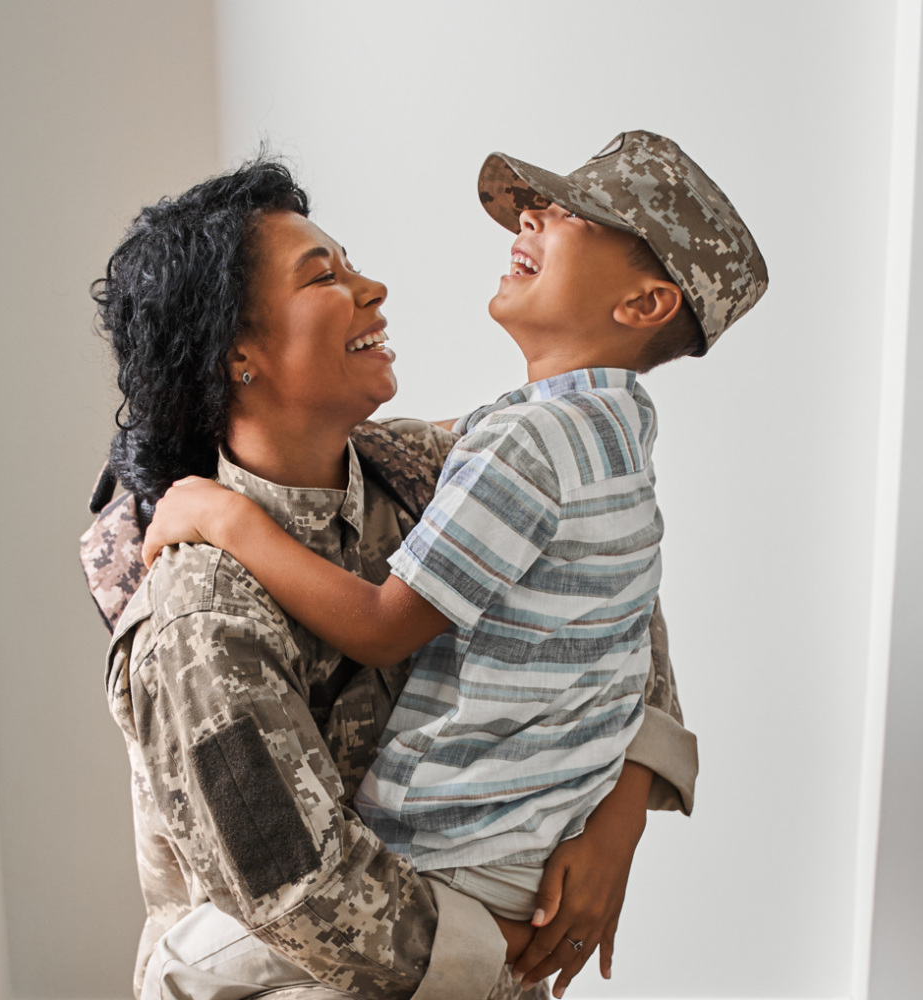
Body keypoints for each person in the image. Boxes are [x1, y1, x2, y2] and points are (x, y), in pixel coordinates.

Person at [142, 130, 766, 994]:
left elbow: (614, 593)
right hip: (372, 969)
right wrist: (504, 951)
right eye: (325, 276)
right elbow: (298, 892)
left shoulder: (439, 464)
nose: (374, 287)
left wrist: (620, 812)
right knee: (181, 971)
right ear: (233, 353)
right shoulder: (200, 612)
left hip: (475, 895)